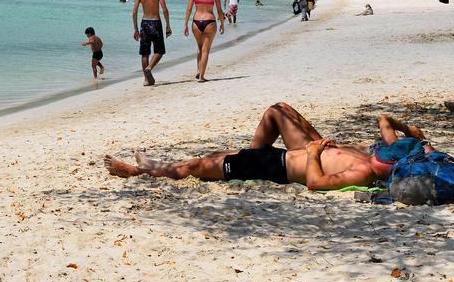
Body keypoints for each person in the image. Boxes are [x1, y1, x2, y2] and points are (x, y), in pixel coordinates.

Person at [104, 102, 431, 190]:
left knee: (198, 166)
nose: (384, 148)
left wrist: (316, 153)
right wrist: (411, 131)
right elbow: (386, 123)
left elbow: (316, 184)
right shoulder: (375, 157)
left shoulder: (362, 171)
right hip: (282, 155)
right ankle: (237, 161)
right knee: (279, 111)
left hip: (278, 166)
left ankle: (140, 172)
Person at [183, 0, 225, 82]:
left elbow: (189, 10)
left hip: (196, 22)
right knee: (205, 50)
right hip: (209, 22)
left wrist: (186, 24)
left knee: (200, 48)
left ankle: (198, 70)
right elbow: (220, 11)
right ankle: (201, 76)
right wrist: (222, 24)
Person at [132, 0, 172, 87]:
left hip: (144, 24)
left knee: (144, 53)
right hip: (155, 23)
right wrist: (168, 25)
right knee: (159, 51)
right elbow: (164, 9)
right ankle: (149, 68)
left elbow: (134, 12)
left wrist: (135, 29)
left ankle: (146, 80)